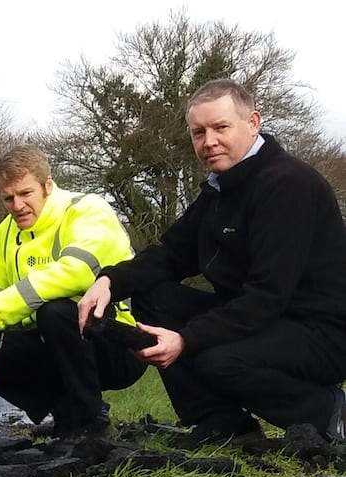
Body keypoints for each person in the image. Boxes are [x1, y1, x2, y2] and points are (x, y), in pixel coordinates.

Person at [77, 78, 346, 445]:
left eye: (221, 127)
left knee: (217, 359)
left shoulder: (288, 185)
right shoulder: (220, 190)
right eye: (198, 132)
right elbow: (171, 254)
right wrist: (109, 281)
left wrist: (186, 339)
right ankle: (221, 422)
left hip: (321, 331)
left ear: (253, 123)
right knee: (153, 294)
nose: (208, 141)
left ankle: (327, 412)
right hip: (266, 320)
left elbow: (266, 296)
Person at [0, 145, 147, 438]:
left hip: (117, 344)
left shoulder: (88, 209)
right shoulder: (4, 234)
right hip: (52, 345)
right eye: (8, 197)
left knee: (55, 311)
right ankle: (65, 413)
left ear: (48, 185)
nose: (17, 205)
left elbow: (79, 270)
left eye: (25, 193)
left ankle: (93, 422)